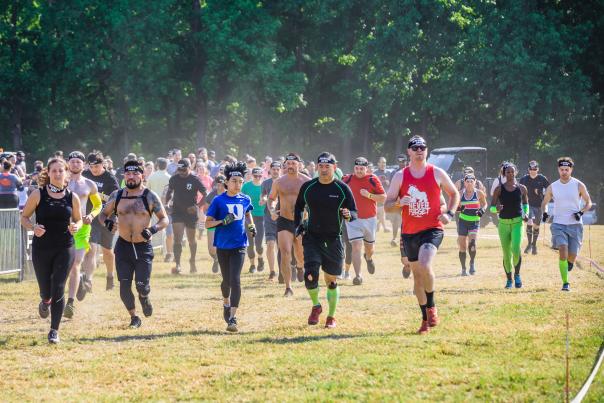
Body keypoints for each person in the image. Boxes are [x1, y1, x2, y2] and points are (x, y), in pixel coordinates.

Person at [385, 136, 459, 334]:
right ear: (409, 151)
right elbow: (387, 205)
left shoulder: (436, 172)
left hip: (432, 229)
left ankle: (432, 306)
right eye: (415, 147)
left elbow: (454, 194)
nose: (419, 150)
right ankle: (425, 319)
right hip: (409, 233)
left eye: (422, 147)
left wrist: (450, 213)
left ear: (426, 151)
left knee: (426, 264)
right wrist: (400, 203)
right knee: (417, 277)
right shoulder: (400, 176)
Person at [98, 160, 168, 328]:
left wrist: (152, 229)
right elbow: (102, 215)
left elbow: (164, 219)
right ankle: (134, 317)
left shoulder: (150, 196)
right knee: (124, 286)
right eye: (127, 174)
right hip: (123, 246)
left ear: (141, 175)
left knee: (142, 286)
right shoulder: (117, 195)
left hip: (143, 246)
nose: (131, 177)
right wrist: (107, 223)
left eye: (135, 173)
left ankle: (144, 297)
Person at [20, 158, 82, 343]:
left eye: (60, 171)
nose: (57, 174)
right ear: (48, 173)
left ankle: (54, 330)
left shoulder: (72, 197)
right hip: (42, 248)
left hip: (65, 246)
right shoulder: (38, 194)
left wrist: (76, 226)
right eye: (53, 171)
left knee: (59, 287)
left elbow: (78, 219)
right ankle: (45, 300)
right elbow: (24, 217)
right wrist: (33, 228)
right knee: (46, 290)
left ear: (66, 173)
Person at [295, 152, 357, 328]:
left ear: (334, 167)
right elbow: (299, 207)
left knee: (331, 280)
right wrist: (298, 224)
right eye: (321, 166)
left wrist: (348, 215)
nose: (323, 170)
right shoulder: (308, 187)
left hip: (333, 238)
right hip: (312, 236)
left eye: (327, 166)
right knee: (310, 274)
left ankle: (331, 316)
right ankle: (316, 306)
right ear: (317, 167)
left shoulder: (342, 188)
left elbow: (354, 212)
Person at [205, 162, 255, 332]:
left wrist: (251, 226)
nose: (238, 184)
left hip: (240, 245)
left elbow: (247, 213)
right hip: (222, 246)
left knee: (235, 280)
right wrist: (222, 221)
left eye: (240, 181)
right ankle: (226, 302)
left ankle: (233, 317)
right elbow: (207, 224)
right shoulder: (219, 200)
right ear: (226, 182)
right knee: (226, 281)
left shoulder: (245, 199)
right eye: (234, 181)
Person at [541, 157, 592, 292]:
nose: (564, 172)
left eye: (566, 170)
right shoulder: (553, 186)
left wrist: (580, 213)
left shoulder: (578, 185)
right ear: (558, 170)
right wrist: (545, 213)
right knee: (563, 251)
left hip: (575, 225)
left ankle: (569, 263)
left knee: (572, 256)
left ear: (571, 170)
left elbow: (588, 203)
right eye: (562, 169)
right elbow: (544, 203)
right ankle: (565, 283)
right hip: (558, 224)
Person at [64, 151, 102, 318]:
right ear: (68, 164)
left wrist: (91, 216)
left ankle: (70, 303)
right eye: (72, 162)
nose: (75, 165)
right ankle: (78, 280)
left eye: (78, 162)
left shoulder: (89, 184)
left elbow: (98, 205)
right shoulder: (61, 182)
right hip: (62, 228)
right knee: (65, 265)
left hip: (82, 229)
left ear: (84, 165)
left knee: (76, 263)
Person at [268, 153, 310, 296]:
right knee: (285, 252)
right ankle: (288, 287)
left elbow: (313, 200)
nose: (290, 166)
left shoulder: (307, 181)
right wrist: (272, 209)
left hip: (300, 221)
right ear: (285, 165)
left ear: (299, 165)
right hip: (284, 220)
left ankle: (299, 266)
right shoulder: (279, 182)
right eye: (288, 164)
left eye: (293, 163)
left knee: (300, 253)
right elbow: (272, 198)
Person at [341, 157, 386, 284]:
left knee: (369, 248)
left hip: (369, 219)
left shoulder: (372, 179)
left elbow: (383, 198)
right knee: (355, 246)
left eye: (362, 169)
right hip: (352, 219)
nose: (359, 171)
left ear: (366, 169)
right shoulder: (346, 179)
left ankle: (369, 258)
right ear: (353, 168)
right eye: (357, 168)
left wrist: (369, 195)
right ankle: (358, 276)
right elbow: (338, 195)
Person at [82, 152, 120, 291]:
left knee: (107, 251)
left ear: (103, 164)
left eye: (97, 166)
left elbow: (116, 197)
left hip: (107, 217)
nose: (94, 169)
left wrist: (99, 195)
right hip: (91, 217)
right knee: (91, 248)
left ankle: (110, 277)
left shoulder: (110, 178)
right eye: (91, 166)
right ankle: (88, 280)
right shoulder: (85, 175)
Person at [490, 163, 529, 289]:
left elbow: (525, 203)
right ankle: (509, 280)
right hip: (504, 224)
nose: (510, 174)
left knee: (516, 249)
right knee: (506, 253)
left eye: (512, 172)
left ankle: (517, 275)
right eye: (508, 172)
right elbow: (491, 208)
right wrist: (496, 208)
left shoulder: (522, 188)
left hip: (518, 223)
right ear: (504, 174)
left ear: (516, 172)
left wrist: (526, 213)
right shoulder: (499, 189)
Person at [165, 159, 207, 274]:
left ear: (190, 168)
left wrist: (198, 206)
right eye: (179, 170)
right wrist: (167, 204)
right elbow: (169, 192)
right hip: (177, 211)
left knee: (191, 240)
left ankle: (192, 261)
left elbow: (205, 194)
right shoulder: (174, 179)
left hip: (191, 212)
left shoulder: (195, 179)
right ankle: (177, 264)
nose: (181, 172)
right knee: (177, 238)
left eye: (184, 170)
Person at [457, 174, 488, 276]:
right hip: (463, 222)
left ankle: (472, 263)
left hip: (474, 221)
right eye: (467, 181)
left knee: (472, 244)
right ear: (464, 183)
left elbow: (485, 204)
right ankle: (463, 269)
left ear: (475, 182)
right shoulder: (460, 193)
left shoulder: (479, 193)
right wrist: (459, 208)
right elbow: (453, 206)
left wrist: (482, 210)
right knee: (462, 246)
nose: (469, 183)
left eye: (471, 181)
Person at [519, 161, 549, 255]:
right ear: (528, 169)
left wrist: (541, 192)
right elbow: (518, 190)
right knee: (529, 222)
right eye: (531, 169)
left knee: (536, 226)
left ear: (538, 169)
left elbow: (549, 190)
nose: (533, 171)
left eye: (535, 169)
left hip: (539, 205)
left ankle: (534, 245)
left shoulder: (542, 178)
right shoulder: (523, 179)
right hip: (527, 205)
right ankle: (528, 245)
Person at [147, 158, 173, 262]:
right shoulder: (169, 178)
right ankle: (167, 252)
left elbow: (147, 190)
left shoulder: (151, 177)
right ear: (166, 166)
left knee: (152, 230)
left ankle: (149, 251)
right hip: (165, 207)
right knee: (167, 231)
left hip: (153, 206)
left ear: (157, 165)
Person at [260, 161, 281, 280]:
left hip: (282, 217)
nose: (276, 171)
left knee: (282, 247)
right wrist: (263, 199)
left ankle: (283, 270)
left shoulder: (283, 182)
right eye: (274, 169)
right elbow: (263, 195)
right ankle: (272, 271)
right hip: (268, 217)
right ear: (270, 170)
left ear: (280, 170)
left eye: (278, 169)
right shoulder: (266, 183)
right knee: (270, 244)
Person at [242, 167, 265, 273]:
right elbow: (240, 198)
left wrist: (265, 200)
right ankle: (252, 265)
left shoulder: (265, 185)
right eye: (255, 176)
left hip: (261, 217)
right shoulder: (246, 186)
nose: (257, 178)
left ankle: (260, 258)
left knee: (259, 244)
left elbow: (271, 198)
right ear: (252, 176)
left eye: (259, 176)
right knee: (250, 243)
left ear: (262, 176)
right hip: (248, 217)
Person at [203, 175, 227, 273]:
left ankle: (224, 265)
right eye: (218, 185)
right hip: (212, 222)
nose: (220, 187)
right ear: (215, 185)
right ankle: (216, 259)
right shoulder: (211, 195)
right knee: (211, 249)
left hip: (225, 223)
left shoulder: (229, 194)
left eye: (222, 185)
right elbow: (205, 209)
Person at [387, 154, 407, 247]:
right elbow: (391, 187)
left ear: (406, 161)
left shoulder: (410, 171)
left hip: (408, 200)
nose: (401, 163)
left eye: (403, 161)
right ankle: (394, 238)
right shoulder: (394, 173)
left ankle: (404, 239)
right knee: (395, 220)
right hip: (397, 200)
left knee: (406, 221)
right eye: (399, 161)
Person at [373, 157, 390, 233]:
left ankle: (378, 226)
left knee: (382, 212)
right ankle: (384, 227)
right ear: (378, 163)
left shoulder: (388, 172)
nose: (383, 164)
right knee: (381, 211)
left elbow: (391, 183)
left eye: (384, 162)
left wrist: (388, 183)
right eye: (382, 162)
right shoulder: (375, 173)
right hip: (378, 195)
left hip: (387, 194)